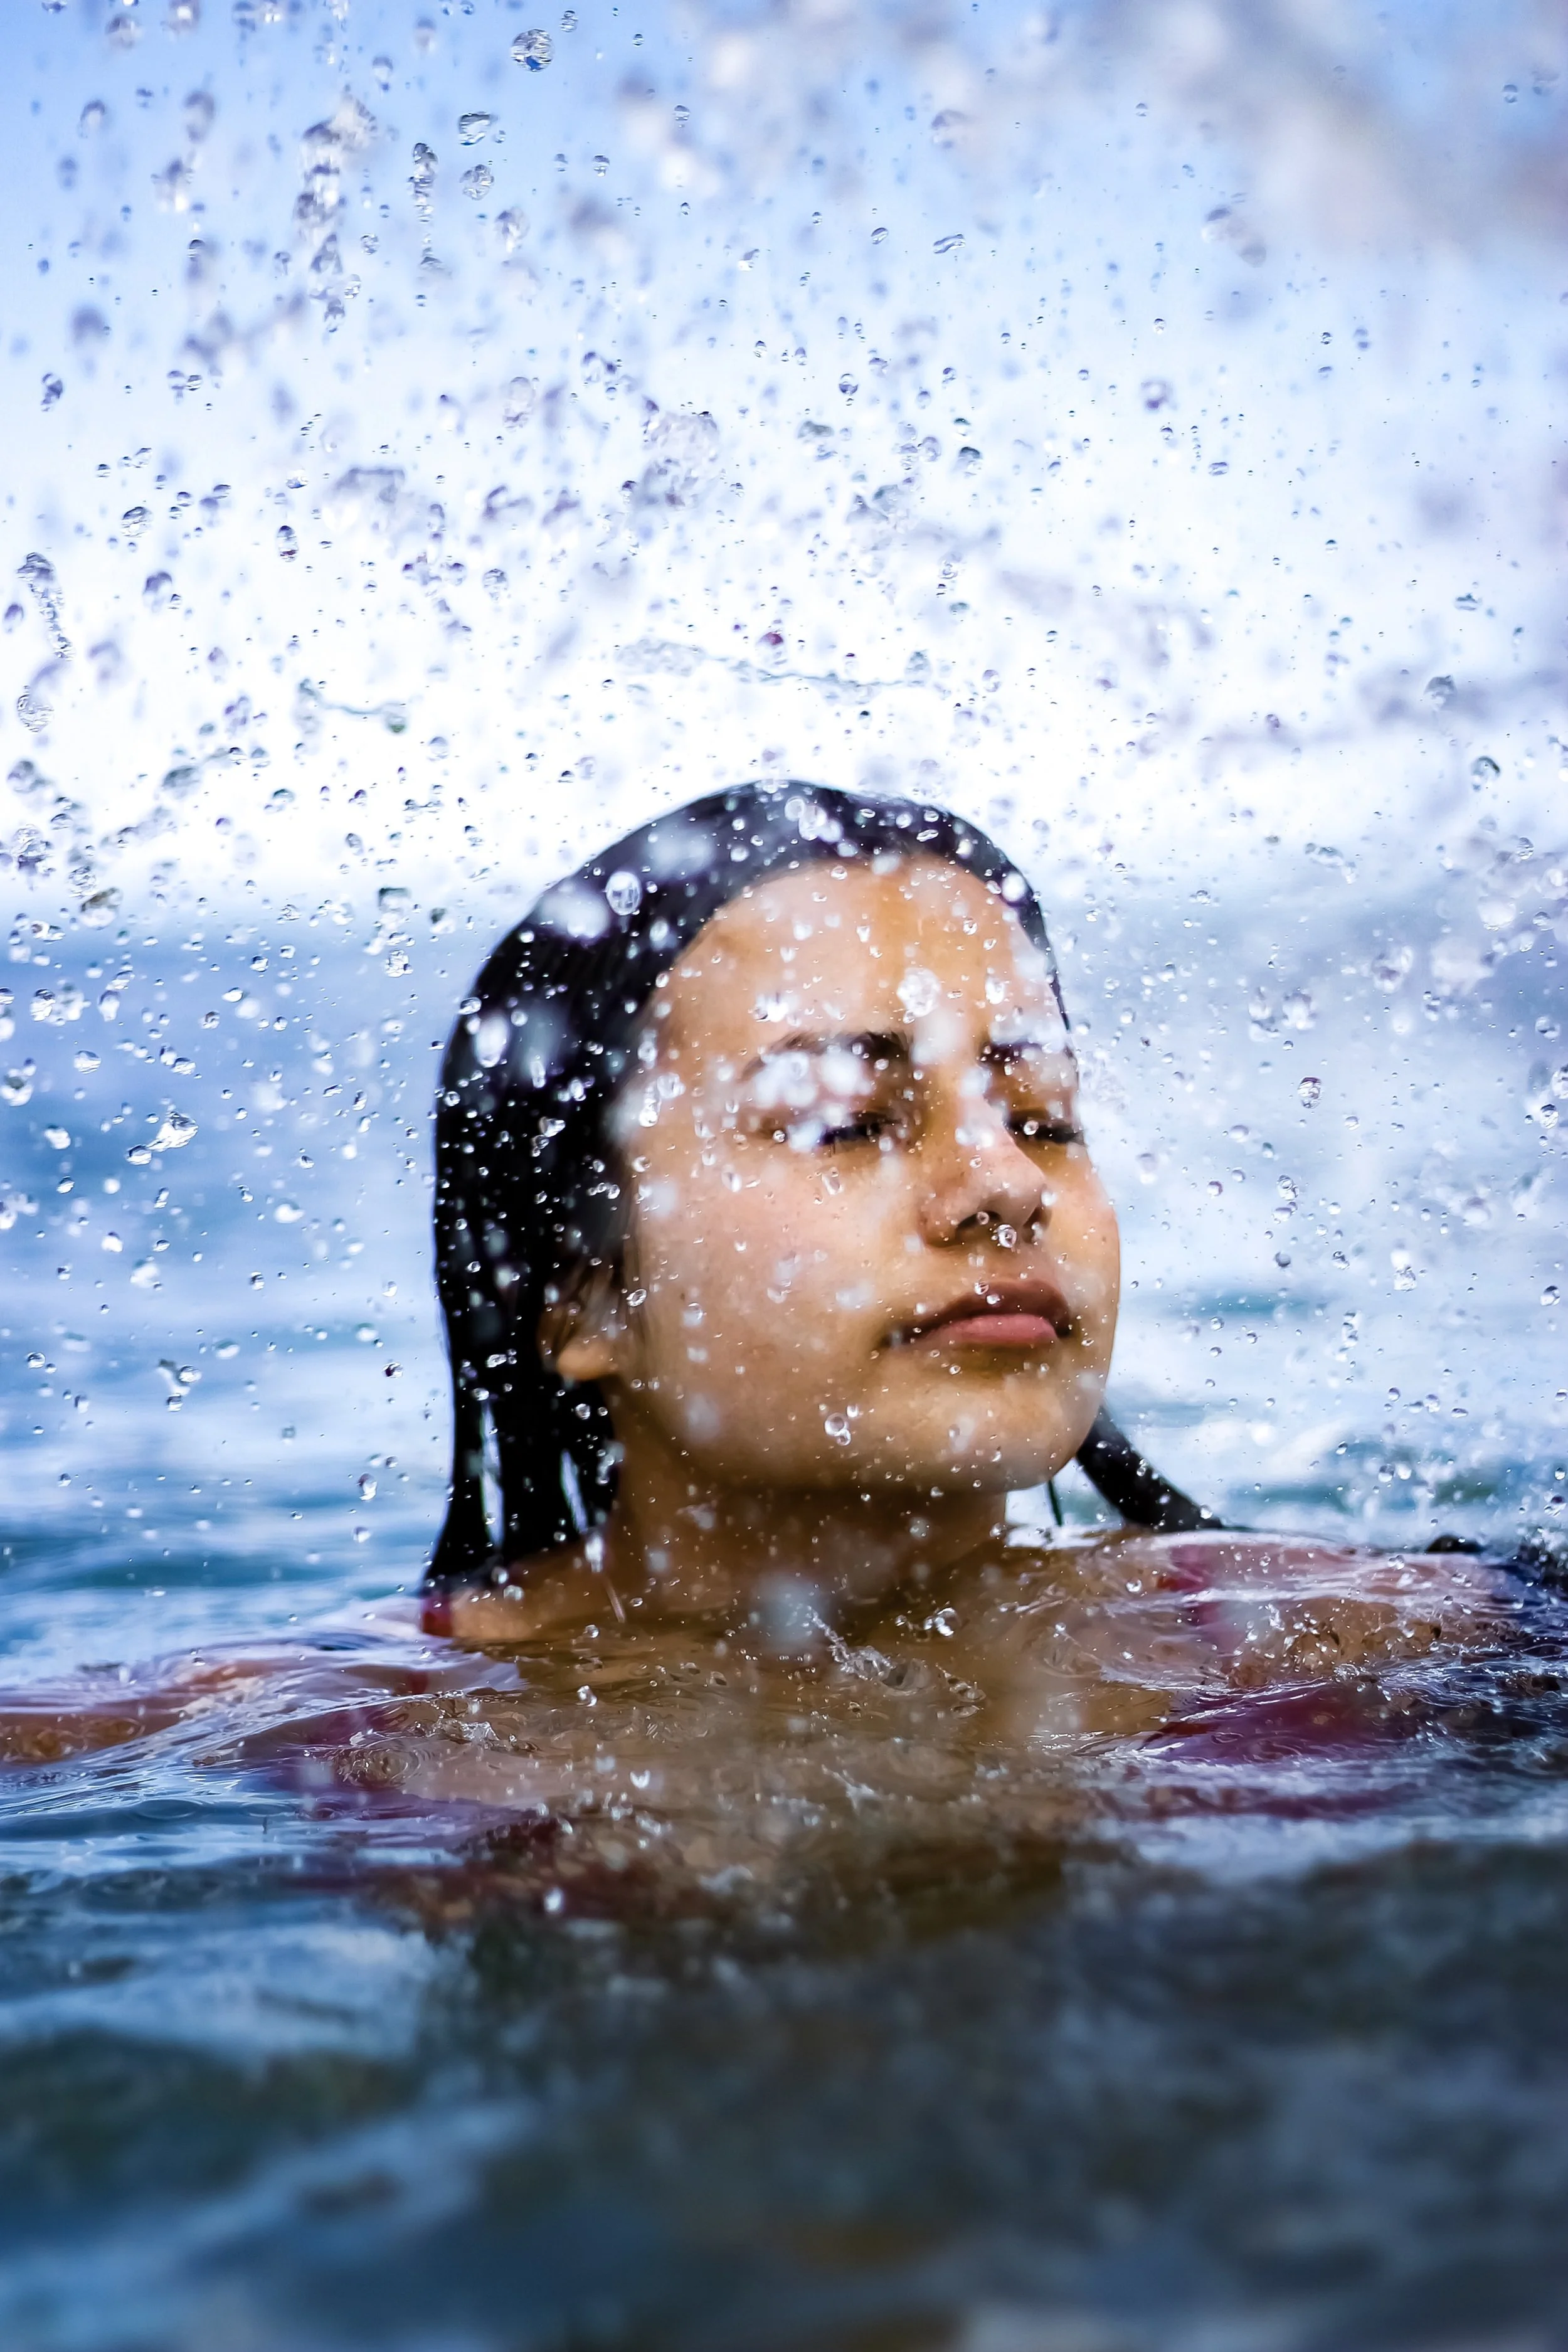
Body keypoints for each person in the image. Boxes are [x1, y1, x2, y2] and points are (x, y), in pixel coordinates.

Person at [420, 780, 1543, 1743]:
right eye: (848, 1120)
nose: (1008, 1184)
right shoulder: (341, 1733)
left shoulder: (1372, 1649)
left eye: (1045, 1117)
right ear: (574, 1295)